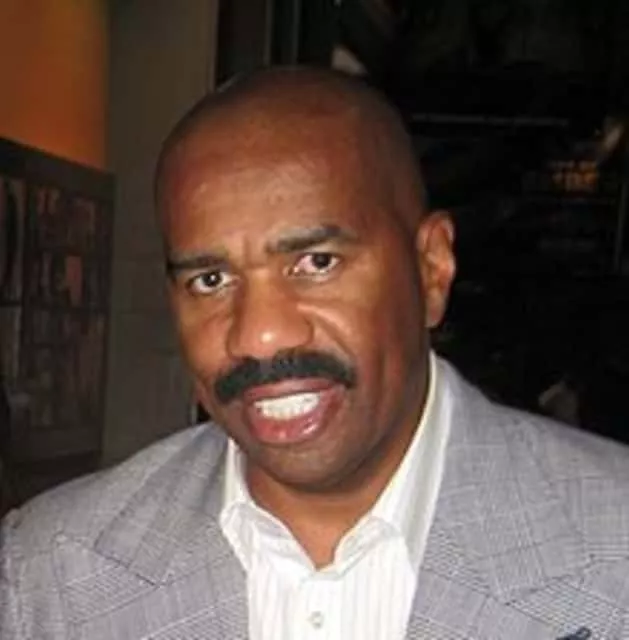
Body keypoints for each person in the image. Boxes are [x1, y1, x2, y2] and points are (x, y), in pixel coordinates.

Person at [1, 68, 629, 640]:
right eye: (211, 280)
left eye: (316, 262)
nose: (260, 336)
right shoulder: (48, 577)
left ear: (431, 270)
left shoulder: (613, 542)